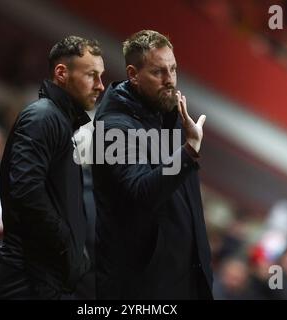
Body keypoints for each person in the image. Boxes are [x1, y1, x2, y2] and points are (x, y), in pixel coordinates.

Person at [92, 30, 213, 299]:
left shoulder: (165, 116)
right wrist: (189, 151)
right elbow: (141, 193)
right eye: (159, 72)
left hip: (180, 282)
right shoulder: (113, 128)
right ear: (133, 75)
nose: (170, 80)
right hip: (140, 289)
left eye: (173, 69)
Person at [0, 36, 105, 299]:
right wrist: (67, 242)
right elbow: (25, 190)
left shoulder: (60, 122)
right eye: (92, 75)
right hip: (26, 278)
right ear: (62, 73)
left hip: (44, 278)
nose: (100, 86)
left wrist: (78, 252)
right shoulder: (43, 116)